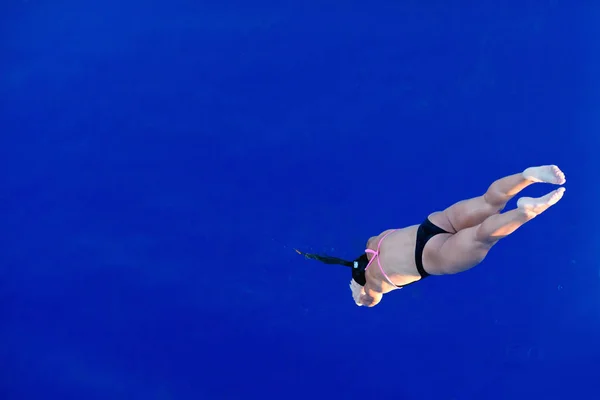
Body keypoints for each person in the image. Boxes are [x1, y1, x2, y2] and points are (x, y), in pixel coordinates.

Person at [296, 165, 566, 307]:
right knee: (487, 202)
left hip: (428, 257)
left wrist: (359, 291)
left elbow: (367, 301)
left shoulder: (376, 284)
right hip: (431, 225)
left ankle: (526, 212)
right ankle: (528, 175)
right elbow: (359, 264)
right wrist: (356, 274)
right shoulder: (373, 243)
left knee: (482, 237)